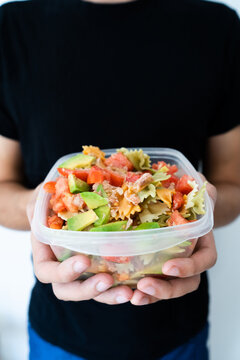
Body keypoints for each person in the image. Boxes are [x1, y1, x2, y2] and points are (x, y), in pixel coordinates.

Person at [0, 0, 239, 359]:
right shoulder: (11, 25)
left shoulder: (216, 24)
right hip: (59, 332)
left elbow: (232, 183)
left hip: (178, 332)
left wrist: (201, 209)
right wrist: (37, 209)